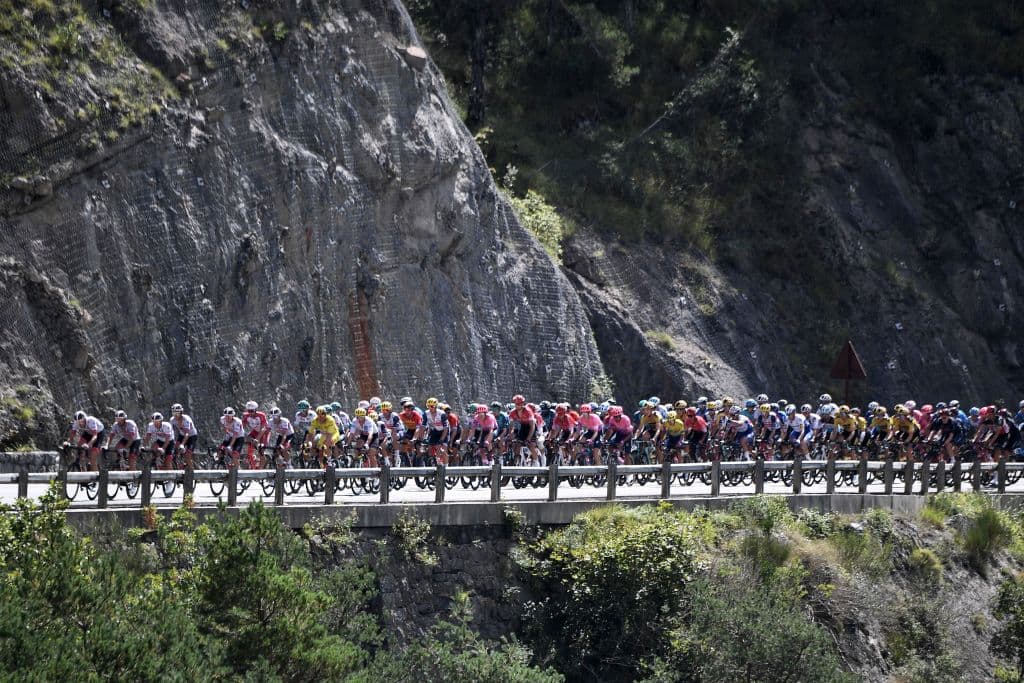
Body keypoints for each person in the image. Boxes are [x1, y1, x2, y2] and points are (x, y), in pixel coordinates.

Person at [169, 403, 198, 469]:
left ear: (181, 412)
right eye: (174, 413)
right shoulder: (172, 420)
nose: (175, 415)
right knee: (175, 449)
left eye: (177, 413)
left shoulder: (186, 419)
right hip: (182, 435)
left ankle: (191, 471)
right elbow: (170, 431)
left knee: (187, 455)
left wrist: (182, 444)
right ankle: (177, 463)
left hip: (191, 436)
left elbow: (187, 434)